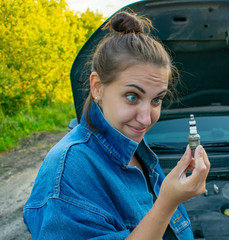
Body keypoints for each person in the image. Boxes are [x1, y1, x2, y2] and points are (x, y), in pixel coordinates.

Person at [23, 11, 210, 240]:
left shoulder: (132, 142)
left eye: (156, 100)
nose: (146, 118)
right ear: (97, 87)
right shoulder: (66, 174)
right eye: (132, 96)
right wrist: (168, 201)